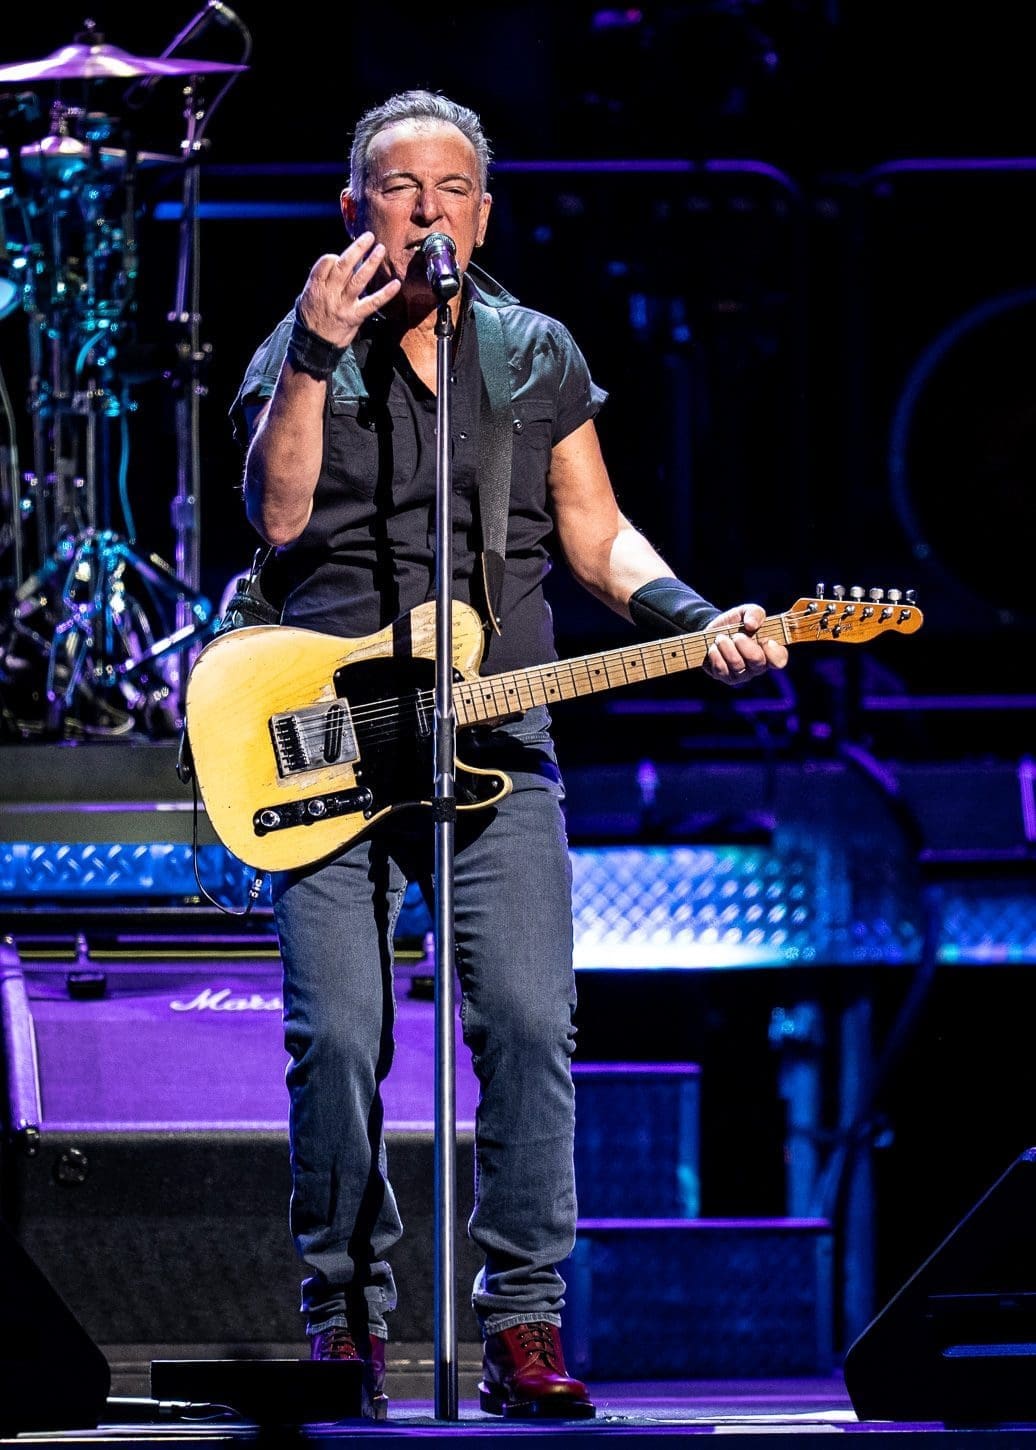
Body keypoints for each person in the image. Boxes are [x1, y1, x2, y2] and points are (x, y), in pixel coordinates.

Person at [230, 88, 789, 1421]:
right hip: (328, 742)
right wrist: (310, 358)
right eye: (400, 188)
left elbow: (595, 536)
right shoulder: (306, 345)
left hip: (498, 730)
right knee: (338, 1033)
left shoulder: (532, 352)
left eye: (452, 189)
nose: (428, 211)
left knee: (534, 1023)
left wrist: (699, 620)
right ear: (353, 210)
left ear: (482, 213)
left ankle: (524, 1323)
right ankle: (344, 1320)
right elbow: (276, 513)